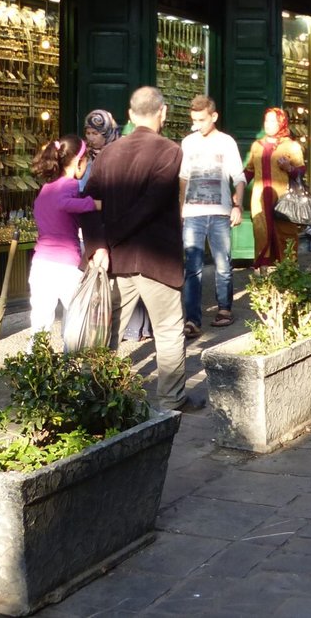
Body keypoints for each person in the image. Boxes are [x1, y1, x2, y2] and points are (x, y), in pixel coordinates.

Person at [83, 87, 200, 412]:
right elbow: (150, 205)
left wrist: (99, 245)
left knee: (109, 332)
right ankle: (172, 399)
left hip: (115, 259)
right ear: (161, 113)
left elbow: (86, 203)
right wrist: (109, 241)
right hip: (155, 258)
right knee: (168, 330)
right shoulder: (170, 151)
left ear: (131, 116)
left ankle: (97, 395)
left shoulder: (108, 153)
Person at [179, 95, 245, 334]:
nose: (197, 124)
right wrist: (181, 208)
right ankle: (193, 320)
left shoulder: (226, 142)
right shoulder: (188, 142)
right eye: (194, 120)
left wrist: (238, 205)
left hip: (219, 212)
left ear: (214, 117)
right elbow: (184, 177)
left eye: (202, 120)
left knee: (222, 263)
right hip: (193, 213)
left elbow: (238, 176)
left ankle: (224, 309)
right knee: (192, 267)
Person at [84, 108, 149, 342]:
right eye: (88, 132)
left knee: (126, 277)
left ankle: (135, 327)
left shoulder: (118, 154)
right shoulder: (86, 158)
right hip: (94, 223)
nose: (91, 137)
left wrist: (100, 203)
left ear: (107, 132)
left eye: (95, 133)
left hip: (116, 223)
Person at [28, 135, 97, 338]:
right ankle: (71, 365)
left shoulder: (45, 188)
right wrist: (94, 204)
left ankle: (34, 366)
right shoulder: (70, 185)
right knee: (75, 322)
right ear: (78, 161)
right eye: (87, 161)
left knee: (40, 324)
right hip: (66, 265)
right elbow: (64, 204)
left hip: (41, 263)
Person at [245, 106, 306, 267]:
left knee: (286, 236)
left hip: (283, 201)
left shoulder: (291, 146)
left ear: (281, 122)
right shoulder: (257, 146)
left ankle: (288, 275)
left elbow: (301, 171)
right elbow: (249, 171)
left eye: (273, 121)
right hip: (260, 201)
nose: (268, 124)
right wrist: (236, 190)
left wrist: (289, 168)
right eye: (266, 120)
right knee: (261, 234)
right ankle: (264, 278)